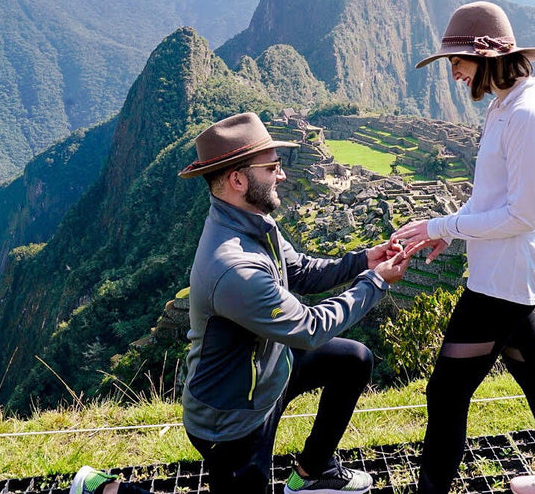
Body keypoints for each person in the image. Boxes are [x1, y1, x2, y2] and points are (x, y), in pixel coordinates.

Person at [70, 113, 410, 494]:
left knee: (353, 360)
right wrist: (376, 282)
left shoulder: (252, 222)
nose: (281, 175)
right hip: (232, 418)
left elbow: (301, 272)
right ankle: (105, 489)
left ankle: (314, 472)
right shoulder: (234, 267)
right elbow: (310, 329)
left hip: (269, 373)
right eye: (272, 168)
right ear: (237, 179)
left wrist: (365, 260)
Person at [392, 1, 535, 494]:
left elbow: (521, 215)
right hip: (504, 275)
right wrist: (448, 232)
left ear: (487, 57)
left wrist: (443, 226)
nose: (454, 73)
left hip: (502, 283)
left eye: (458, 61)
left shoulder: (526, 115)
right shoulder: (507, 104)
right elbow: (491, 198)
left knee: (446, 393)